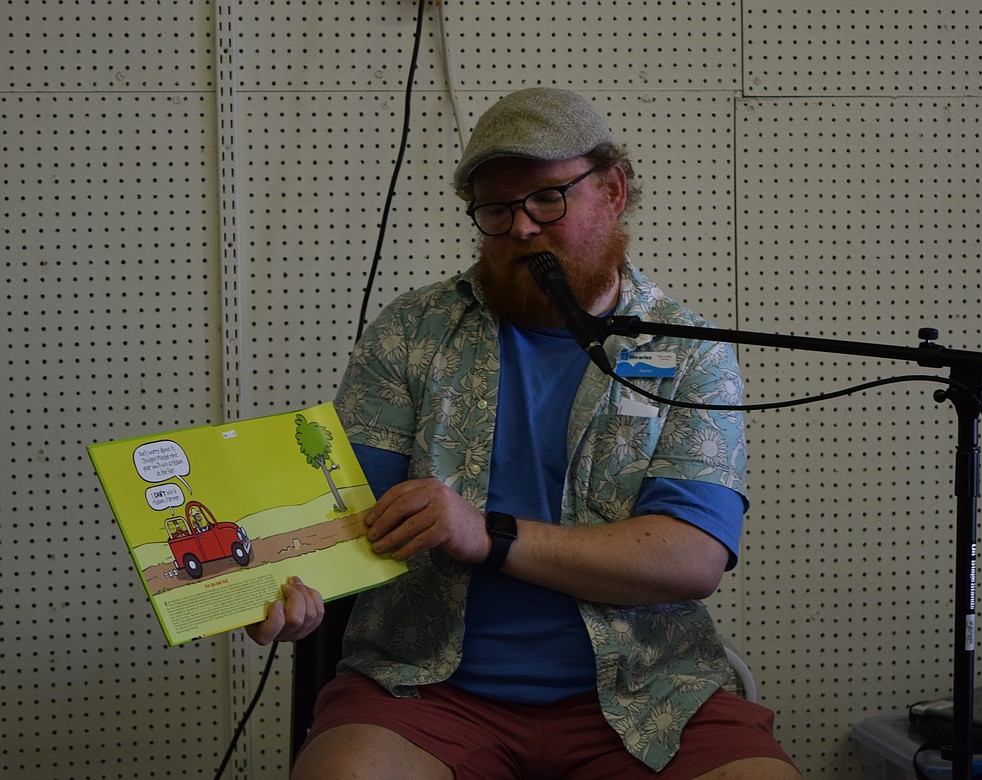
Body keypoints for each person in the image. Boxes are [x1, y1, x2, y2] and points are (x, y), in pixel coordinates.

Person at [247, 87, 802, 780]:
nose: (522, 229)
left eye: (547, 199)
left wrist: (489, 535)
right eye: (496, 210)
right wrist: (295, 592)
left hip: (650, 693)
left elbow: (689, 560)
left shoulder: (690, 350)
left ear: (613, 190)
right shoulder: (411, 332)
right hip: (427, 691)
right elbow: (344, 519)